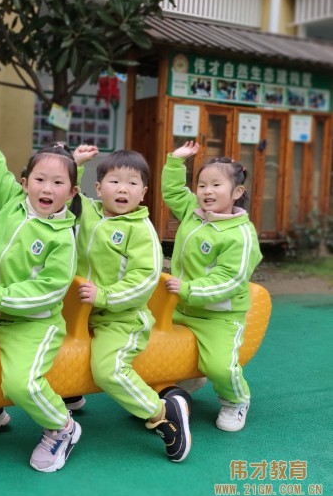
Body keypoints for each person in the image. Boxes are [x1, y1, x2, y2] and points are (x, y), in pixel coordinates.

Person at [0, 97, 82, 473]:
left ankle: (62, 426)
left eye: (58, 183)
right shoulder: (12, 202)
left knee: (22, 383)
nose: (47, 188)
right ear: (25, 183)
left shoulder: (62, 238)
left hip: (32, 323)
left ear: (71, 193)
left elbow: (49, 290)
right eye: (40, 179)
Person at [71, 145, 191, 462]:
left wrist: (105, 296)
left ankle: (163, 414)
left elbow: (144, 280)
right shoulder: (89, 211)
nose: (123, 188)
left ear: (144, 192)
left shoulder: (140, 231)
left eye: (132, 183)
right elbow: (63, 196)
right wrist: (76, 164)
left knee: (107, 369)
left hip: (121, 317)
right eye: (114, 181)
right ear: (98, 188)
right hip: (79, 311)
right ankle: (64, 394)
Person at [162, 141, 262, 432]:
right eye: (202, 185)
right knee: (148, 339)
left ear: (237, 192)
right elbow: (172, 192)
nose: (206, 191)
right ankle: (188, 378)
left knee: (220, 365)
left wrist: (187, 289)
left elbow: (229, 280)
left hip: (219, 315)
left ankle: (236, 400)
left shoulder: (241, 235)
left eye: (216, 185)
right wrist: (175, 162)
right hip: (181, 305)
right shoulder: (193, 211)